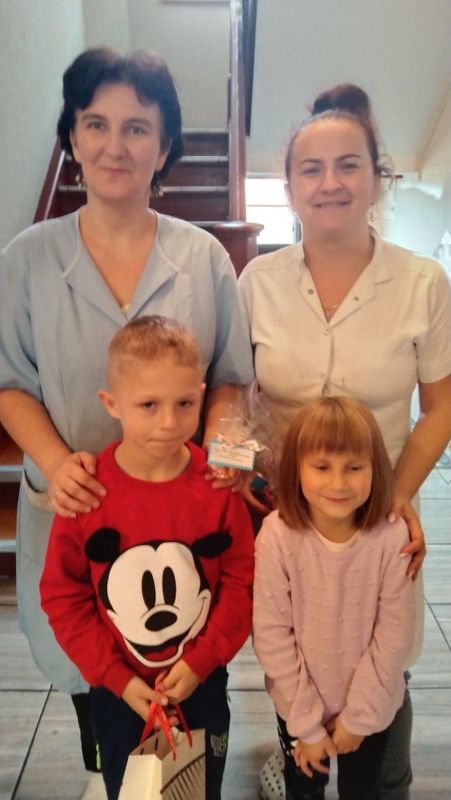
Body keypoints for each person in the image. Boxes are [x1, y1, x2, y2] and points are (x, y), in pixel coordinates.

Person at [0, 47, 253, 797]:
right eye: (96, 124)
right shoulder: (27, 259)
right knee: (86, 653)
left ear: (165, 146)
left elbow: (230, 377)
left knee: (183, 653)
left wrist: (229, 452)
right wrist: (57, 462)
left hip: (181, 513)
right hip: (78, 506)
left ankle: (177, 773)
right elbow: (9, 383)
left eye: (138, 127)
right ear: (72, 138)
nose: (116, 145)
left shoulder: (203, 258)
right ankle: (103, 768)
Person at [238, 83, 451, 799]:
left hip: (375, 515)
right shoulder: (257, 282)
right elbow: (234, 395)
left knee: (382, 653)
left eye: (348, 165)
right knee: (292, 650)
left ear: (377, 177)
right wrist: (241, 470)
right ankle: (296, 754)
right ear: (289, 187)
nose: (329, 182)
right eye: (311, 169)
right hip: (286, 516)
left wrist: (395, 495)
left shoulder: (423, 283)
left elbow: (440, 408)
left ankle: (378, 776)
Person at [40, 315, 254, 800]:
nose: (169, 422)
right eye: (148, 405)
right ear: (111, 403)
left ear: (202, 395)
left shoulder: (218, 488)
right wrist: (116, 678)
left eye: (185, 404)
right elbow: (63, 596)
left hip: (201, 684)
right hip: (120, 694)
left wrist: (202, 661)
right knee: (130, 790)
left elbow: (243, 582)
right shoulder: (88, 494)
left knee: (200, 790)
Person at [253, 396, 416, 800]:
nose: (339, 483)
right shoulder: (276, 536)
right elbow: (271, 636)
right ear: (296, 470)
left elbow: (393, 637)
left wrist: (358, 719)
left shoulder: (392, 537)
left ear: (375, 470)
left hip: (371, 709)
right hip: (296, 706)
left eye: (354, 468)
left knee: (363, 790)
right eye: (322, 467)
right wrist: (307, 726)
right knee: (302, 790)